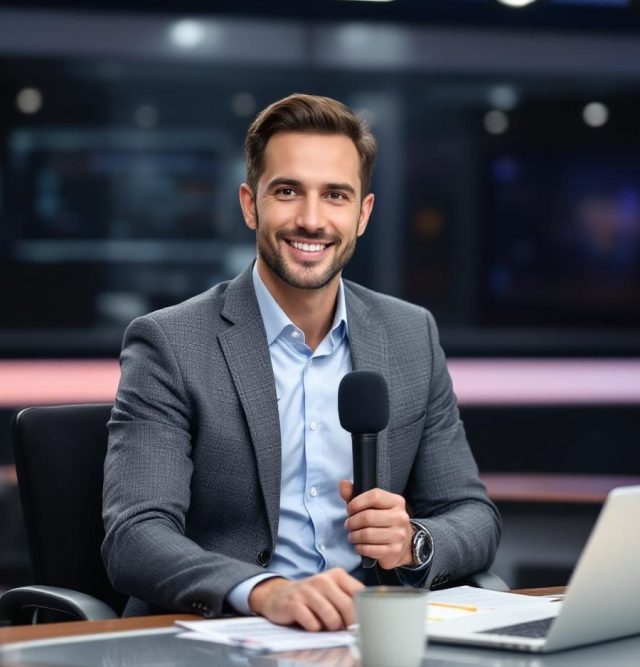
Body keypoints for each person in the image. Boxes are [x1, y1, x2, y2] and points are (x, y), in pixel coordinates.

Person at [102, 93, 500, 632]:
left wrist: (413, 542)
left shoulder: (411, 336)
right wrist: (265, 592)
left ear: (362, 214)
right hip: (230, 635)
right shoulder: (171, 343)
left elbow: (473, 516)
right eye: (287, 191)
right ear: (250, 204)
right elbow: (135, 535)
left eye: (335, 196)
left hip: (371, 636)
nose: (311, 220)